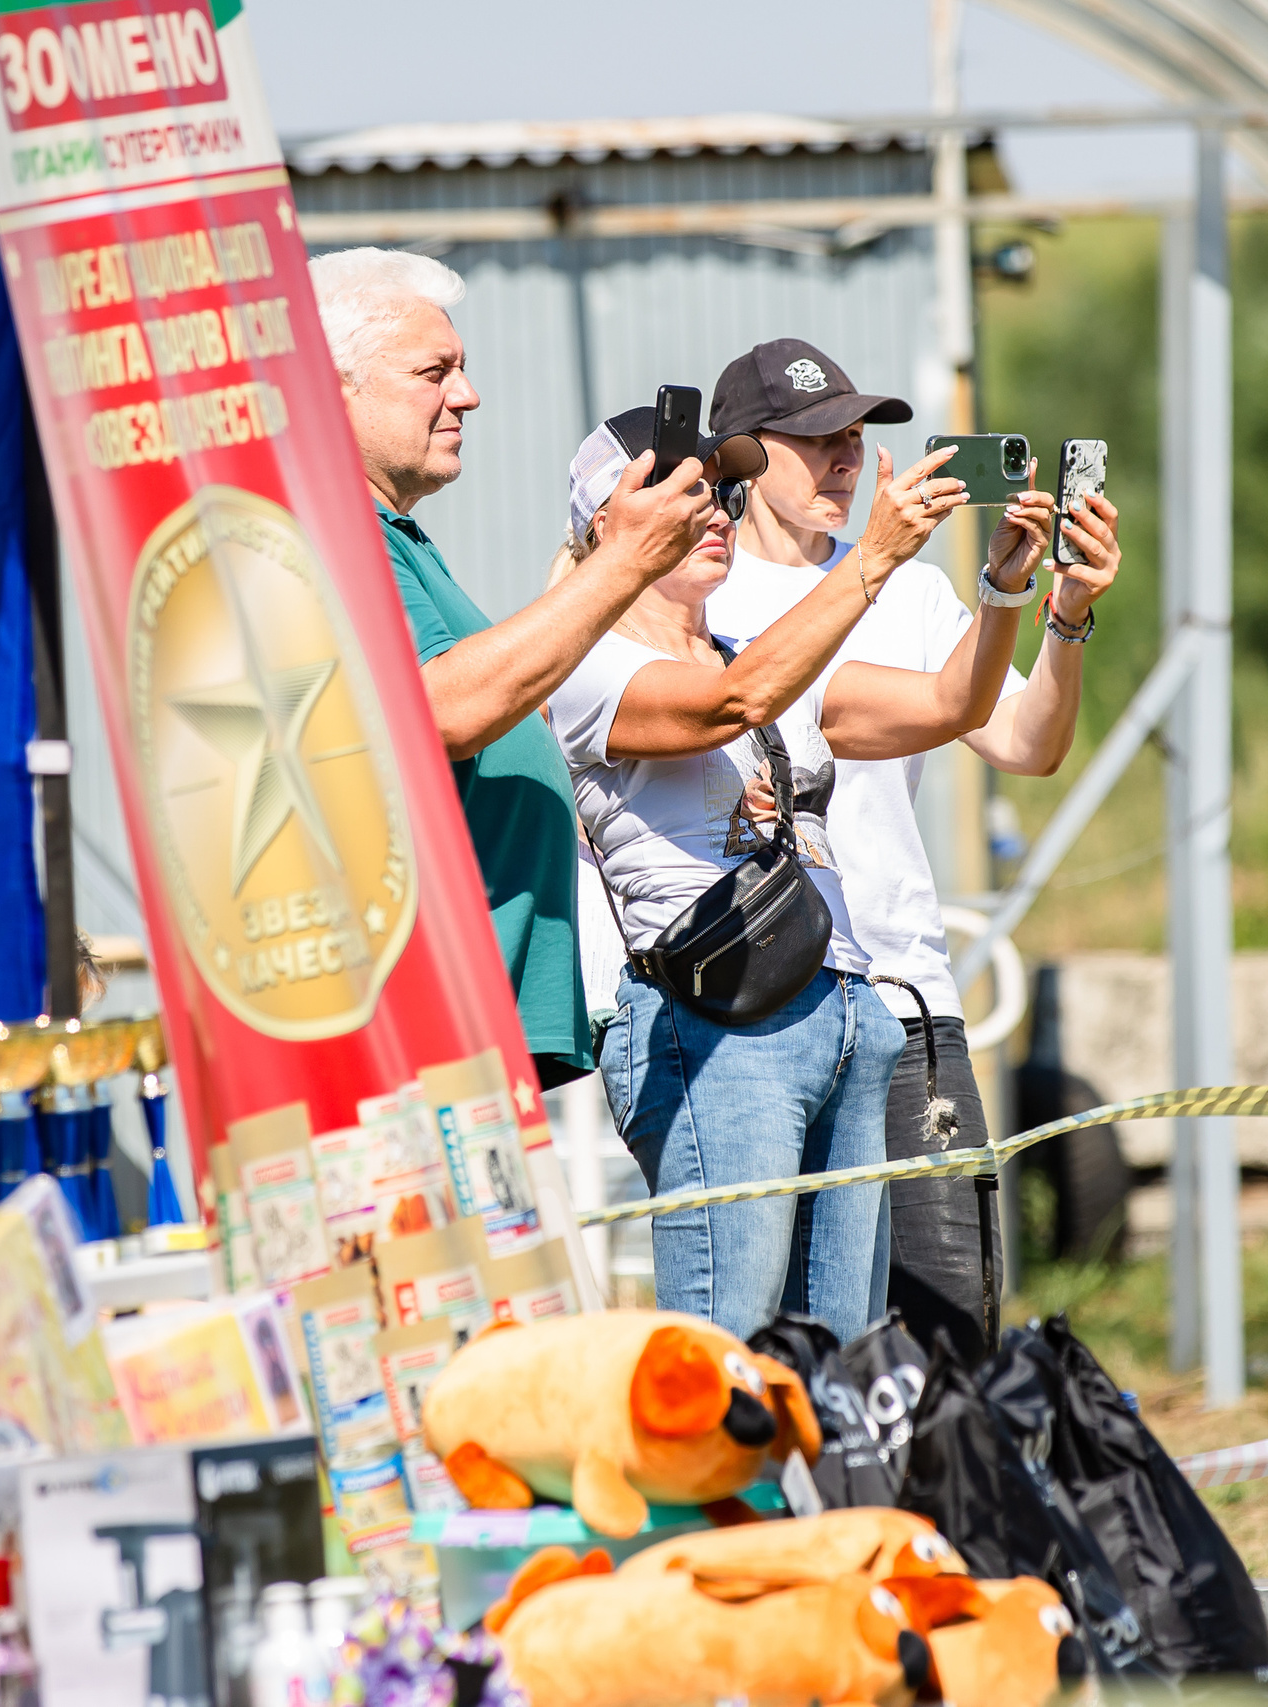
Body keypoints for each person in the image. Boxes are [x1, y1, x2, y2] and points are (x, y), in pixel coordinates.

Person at [549, 405, 1053, 1341]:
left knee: (843, 1360)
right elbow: (731, 704)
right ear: (604, 526)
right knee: (732, 1354)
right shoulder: (584, 663)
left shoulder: (754, 656)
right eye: (685, 493)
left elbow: (957, 702)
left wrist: (1012, 595)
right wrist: (873, 559)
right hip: (717, 1027)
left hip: (848, 1014)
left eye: (722, 493)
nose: (715, 514)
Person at [701, 339, 1122, 1355]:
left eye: (855, 436)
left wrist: (1060, 615)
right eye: (815, 440)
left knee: (950, 1330)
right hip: (754, 1012)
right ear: (743, 457)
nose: (845, 459)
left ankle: (930, 1519)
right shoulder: (694, 596)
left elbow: (1026, 743)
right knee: (775, 1336)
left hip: (904, 998)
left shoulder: (918, 595)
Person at [308, 248, 720, 1090]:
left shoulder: (397, 540)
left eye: (463, 369)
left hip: (467, 1034)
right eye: (435, 371)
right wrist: (628, 562)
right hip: (417, 1037)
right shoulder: (335, 526)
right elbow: (444, 710)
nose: (468, 394)